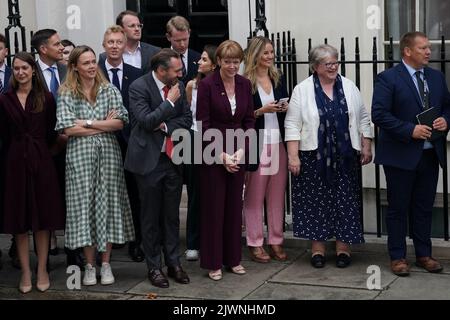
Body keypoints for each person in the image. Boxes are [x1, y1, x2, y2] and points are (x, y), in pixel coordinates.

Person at [285, 44, 373, 268]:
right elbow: (293, 125)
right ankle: (318, 250)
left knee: (345, 201)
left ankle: (343, 248)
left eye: (336, 62)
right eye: (328, 64)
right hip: (313, 156)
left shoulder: (349, 86)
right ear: (316, 67)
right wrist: (293, 157)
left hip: (345, 156)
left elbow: (363, 118)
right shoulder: (302, 90)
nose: (334, 67)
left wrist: (367, 144)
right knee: (317, 202)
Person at [372, 31, 450, 276]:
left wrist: (445, 121)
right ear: (407, 51)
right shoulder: (388, 78)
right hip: (400, 155)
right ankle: (398, 257)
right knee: (398, 207)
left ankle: (424, 255)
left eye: (428, 48)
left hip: (430, 155)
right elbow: (379, 114)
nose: (429, 52)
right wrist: (410, 130)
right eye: (423, 48)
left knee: (424, 207)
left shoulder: (436, 78)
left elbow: (448, 107)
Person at [56, 45, 135, 286]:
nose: (92, 66)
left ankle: (107, 263)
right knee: (85, 210)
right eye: (86, 63)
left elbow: (120, 123)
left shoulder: (109, 90)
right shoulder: (67, 93)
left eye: (93, 62)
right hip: (79, 159)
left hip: (109, 157)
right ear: (75, 67)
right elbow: (67, 128)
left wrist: (88, 123)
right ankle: (90, 266)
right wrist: (103, 123)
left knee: (108, 206)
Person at [125, 48, 192, 289]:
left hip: (173, 158)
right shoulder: (138, 87)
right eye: (176, 70)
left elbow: (186, 120)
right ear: (161, 71)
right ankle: (154, 266)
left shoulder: (179, 86)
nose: (180, 73)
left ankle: (174, 262)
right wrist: (169, 102)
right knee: (151, 217)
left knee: (171, 216)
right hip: (148, 161)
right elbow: (145, 121)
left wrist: (164, 125)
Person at [0, 52, 65, 293]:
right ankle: (26, 271)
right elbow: (4, 134)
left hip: (42, 162)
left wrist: (45, 154)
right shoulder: (4, 99)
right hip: (14, 163)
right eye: (16, 68)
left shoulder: (46, 98)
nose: (20, 72)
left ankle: (41, 269)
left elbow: (52, 132)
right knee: (19, 219)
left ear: (33, 70)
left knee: (42, 220)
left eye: (24, 68)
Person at [197, 40, 255, 281]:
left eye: (236, 61)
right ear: (218, 61)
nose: (233, 66)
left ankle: (233, 259)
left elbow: (249, 121)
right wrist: (220, 155)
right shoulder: (207, 85)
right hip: (213, 153)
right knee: (214, 209)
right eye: (228, 61)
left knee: (234, 208)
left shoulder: (244, 84)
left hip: (238, 152)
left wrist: (241, 151)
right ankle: (213, 262)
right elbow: (203, 124)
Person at [31, 29, 83, 266]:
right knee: (42, 199)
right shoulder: (29, 74)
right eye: (56, 44)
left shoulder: (67, 71)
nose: (61, 47)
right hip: (40, 148)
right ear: (43, 49)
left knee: (71, 199)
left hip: (69, 145)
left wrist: (66, 134)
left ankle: (75, 252)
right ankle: (43, 256)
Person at [99, 25, 144, 262]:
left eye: (119, 42)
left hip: (132, 142)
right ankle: (109, 239)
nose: (115, 46)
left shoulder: (136, 72)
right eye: (111, 42)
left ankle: (136, 241)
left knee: (134, 193)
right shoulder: (93, 72)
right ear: (104, 45)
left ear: (125, 46)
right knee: (106, 194)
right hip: (103, 142)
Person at [242, 36, 289, 263]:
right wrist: (261, 110)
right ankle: (255, 242)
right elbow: (239, 117)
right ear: (255, 55)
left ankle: (276, 240)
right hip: (257, 143)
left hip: (278, 142)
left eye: (272, 52)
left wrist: (285, 107)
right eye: (266, 53)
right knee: (254, 195)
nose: (270, 56)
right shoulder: (245, 82)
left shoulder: (277, 78)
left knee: (277, 195)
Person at [184, 44, 217, 261]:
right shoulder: (191, 85)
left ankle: (212, 240)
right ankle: (193, 242)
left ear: (215, 64)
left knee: (214, 193)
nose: (199, 62)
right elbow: (189, 113)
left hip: (217, 140)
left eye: (204, 59)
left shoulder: (222, 85)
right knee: (195, 193)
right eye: (200, 59)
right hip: (195, 139)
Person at [166, 16, 201, 85]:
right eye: (178, 40)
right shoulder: (161, 60)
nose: (182, 44)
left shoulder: (199, 58)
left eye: (185, 39)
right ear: (168, 37)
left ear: (189, 33)